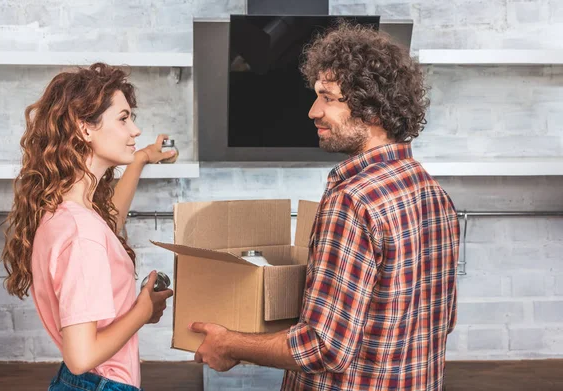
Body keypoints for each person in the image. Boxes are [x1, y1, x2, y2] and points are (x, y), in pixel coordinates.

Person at [189, 22, 460, 391]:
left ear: (373, 107)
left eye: (328, 97)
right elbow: (440, 320)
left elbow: (323, 346)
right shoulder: (432, 191)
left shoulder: (353, 200)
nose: (313, 112)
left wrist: (229, 343)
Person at [0, 63, 176, 391]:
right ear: (85, 129)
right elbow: (81, 356)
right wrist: (143, 310)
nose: (135, 131)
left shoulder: (66, 213)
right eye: (123, 119)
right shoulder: (82, 233)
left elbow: (110, 224)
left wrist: (139, 160)